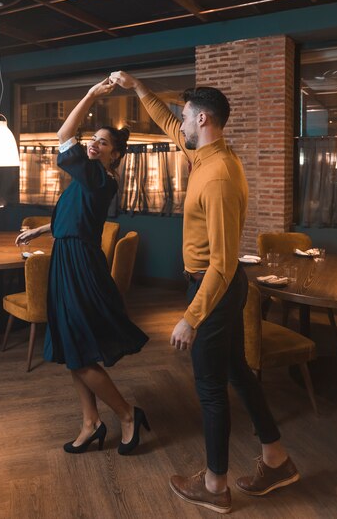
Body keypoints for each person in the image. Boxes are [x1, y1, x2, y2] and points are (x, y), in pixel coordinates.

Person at [109, 71, 299, 513]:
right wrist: (138, 88)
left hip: (215, 289)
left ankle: (215, 487)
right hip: (217, 289)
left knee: (211, 387)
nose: (181, 123)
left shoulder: (216, 177)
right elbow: (167, 124)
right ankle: (277, 459)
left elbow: (224, 263)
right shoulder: (206, 153)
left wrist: (190, 317)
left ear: (204, 119)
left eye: (186, 117)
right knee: (237, 373)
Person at [16, 78, 149, 456]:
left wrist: (91, 94)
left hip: (81, 266)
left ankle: (126, 414)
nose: (93, 143)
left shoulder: (99, 177)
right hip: (67, 258)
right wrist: (42, 228)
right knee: (68, 344)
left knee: (78, 346)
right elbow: (77, 218)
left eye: (103, 142)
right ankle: (91, 421)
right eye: (94, 138)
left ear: (115, 155)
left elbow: (62, 134)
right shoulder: (87, 179)